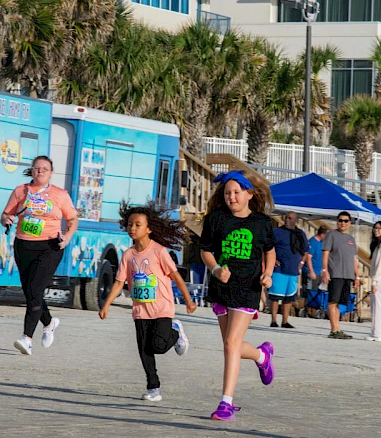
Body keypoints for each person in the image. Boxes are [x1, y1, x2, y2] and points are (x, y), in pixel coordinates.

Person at [99, 201, 197, 402]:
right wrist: (106, 305)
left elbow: (176, 277)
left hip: (162, 308)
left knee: (158, 346)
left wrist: (188, 300)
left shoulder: (159, 252)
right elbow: (119, 283)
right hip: (140, 311)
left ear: (149, 228)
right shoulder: (127, 255)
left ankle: (176, 332)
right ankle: (154, 387)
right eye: (129, 225)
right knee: (144, 351)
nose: (132, 228)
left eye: (137, 225)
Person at [200, 170, 276, 421]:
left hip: (248, 288)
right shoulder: (216, 219)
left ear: (249, 194)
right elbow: (206, 252)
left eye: (236, 192)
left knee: (231, 343)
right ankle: (261, 355)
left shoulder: (262, 223)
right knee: (230, 345)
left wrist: (268, 275)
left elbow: (270, 251)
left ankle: (226, 403)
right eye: (227, 193)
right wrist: (216, 269)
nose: (231, 197)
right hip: (222, 287)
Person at [1, 156, 78, 356]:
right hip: (23, 244)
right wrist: (6, 218)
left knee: (35, 289)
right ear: (32, 171)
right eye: (37, 168)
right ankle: (49, 323)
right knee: (30, 292)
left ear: (51, 172)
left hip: (50, 246)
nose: (40, 171)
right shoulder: (21, 191)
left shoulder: (60, 194)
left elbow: (72, 219)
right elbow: (5, 215)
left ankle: (26, 339)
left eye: (45, 169)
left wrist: (67, 237)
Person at [321, 212, 359, 339]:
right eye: (340, 220)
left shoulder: (350, 239)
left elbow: (354, 258)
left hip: (347, 275)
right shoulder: (331, 235)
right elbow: (325, 254)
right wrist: (325, 271)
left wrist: (357, 276)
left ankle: (338, 329)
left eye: (345, 221)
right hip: (336, 274)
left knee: (340, 303)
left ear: (349, 223)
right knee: (333, 301)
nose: (342, 223)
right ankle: (334, 330)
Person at [268, 211, 310, 329]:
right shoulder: (277, 232)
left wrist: (302, 263)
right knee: (275, 296)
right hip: (279, 269)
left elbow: (305, 250)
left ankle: (285, 321)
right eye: (286, 218)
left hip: (293, 270)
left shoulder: (300, 234)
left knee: (288, 297)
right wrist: (273, 258)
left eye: (290, 218)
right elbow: (268, 247)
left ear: (295, 220)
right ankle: (274, 320)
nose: (287, 220)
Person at [303, 225, 328, 289]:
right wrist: (311, 271)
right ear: (322, 234)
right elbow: (308, 258)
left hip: (319, 272)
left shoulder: (322, 243)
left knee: (318, 292)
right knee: (311, 292)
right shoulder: (312, 242)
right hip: (312, 272)